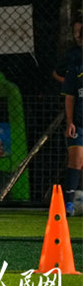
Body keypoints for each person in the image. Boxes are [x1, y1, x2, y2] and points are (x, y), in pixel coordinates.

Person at [61, 56, 83, 216]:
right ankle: (69, 202)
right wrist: (69, 122)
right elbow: (70, 97)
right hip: (79, 124)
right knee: (76, 160)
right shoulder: (76, 68)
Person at [51, 13, 82, 84]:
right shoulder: (72, 53)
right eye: (75, 32)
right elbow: (55, 73)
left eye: (80, 32)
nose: (77, 36)